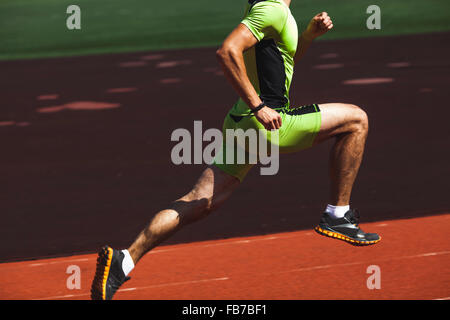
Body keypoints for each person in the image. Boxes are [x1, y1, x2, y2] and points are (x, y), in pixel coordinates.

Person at [90, 0, 380, 300]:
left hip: (240, 123)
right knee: (357, 119)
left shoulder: (275, 11)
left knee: (200, 201)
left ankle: (124, 260)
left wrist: (308, 36)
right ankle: (337, 215)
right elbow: (227, 51)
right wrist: (260, 106)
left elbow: (282, 63)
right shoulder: (272, 9)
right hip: (269, 124)